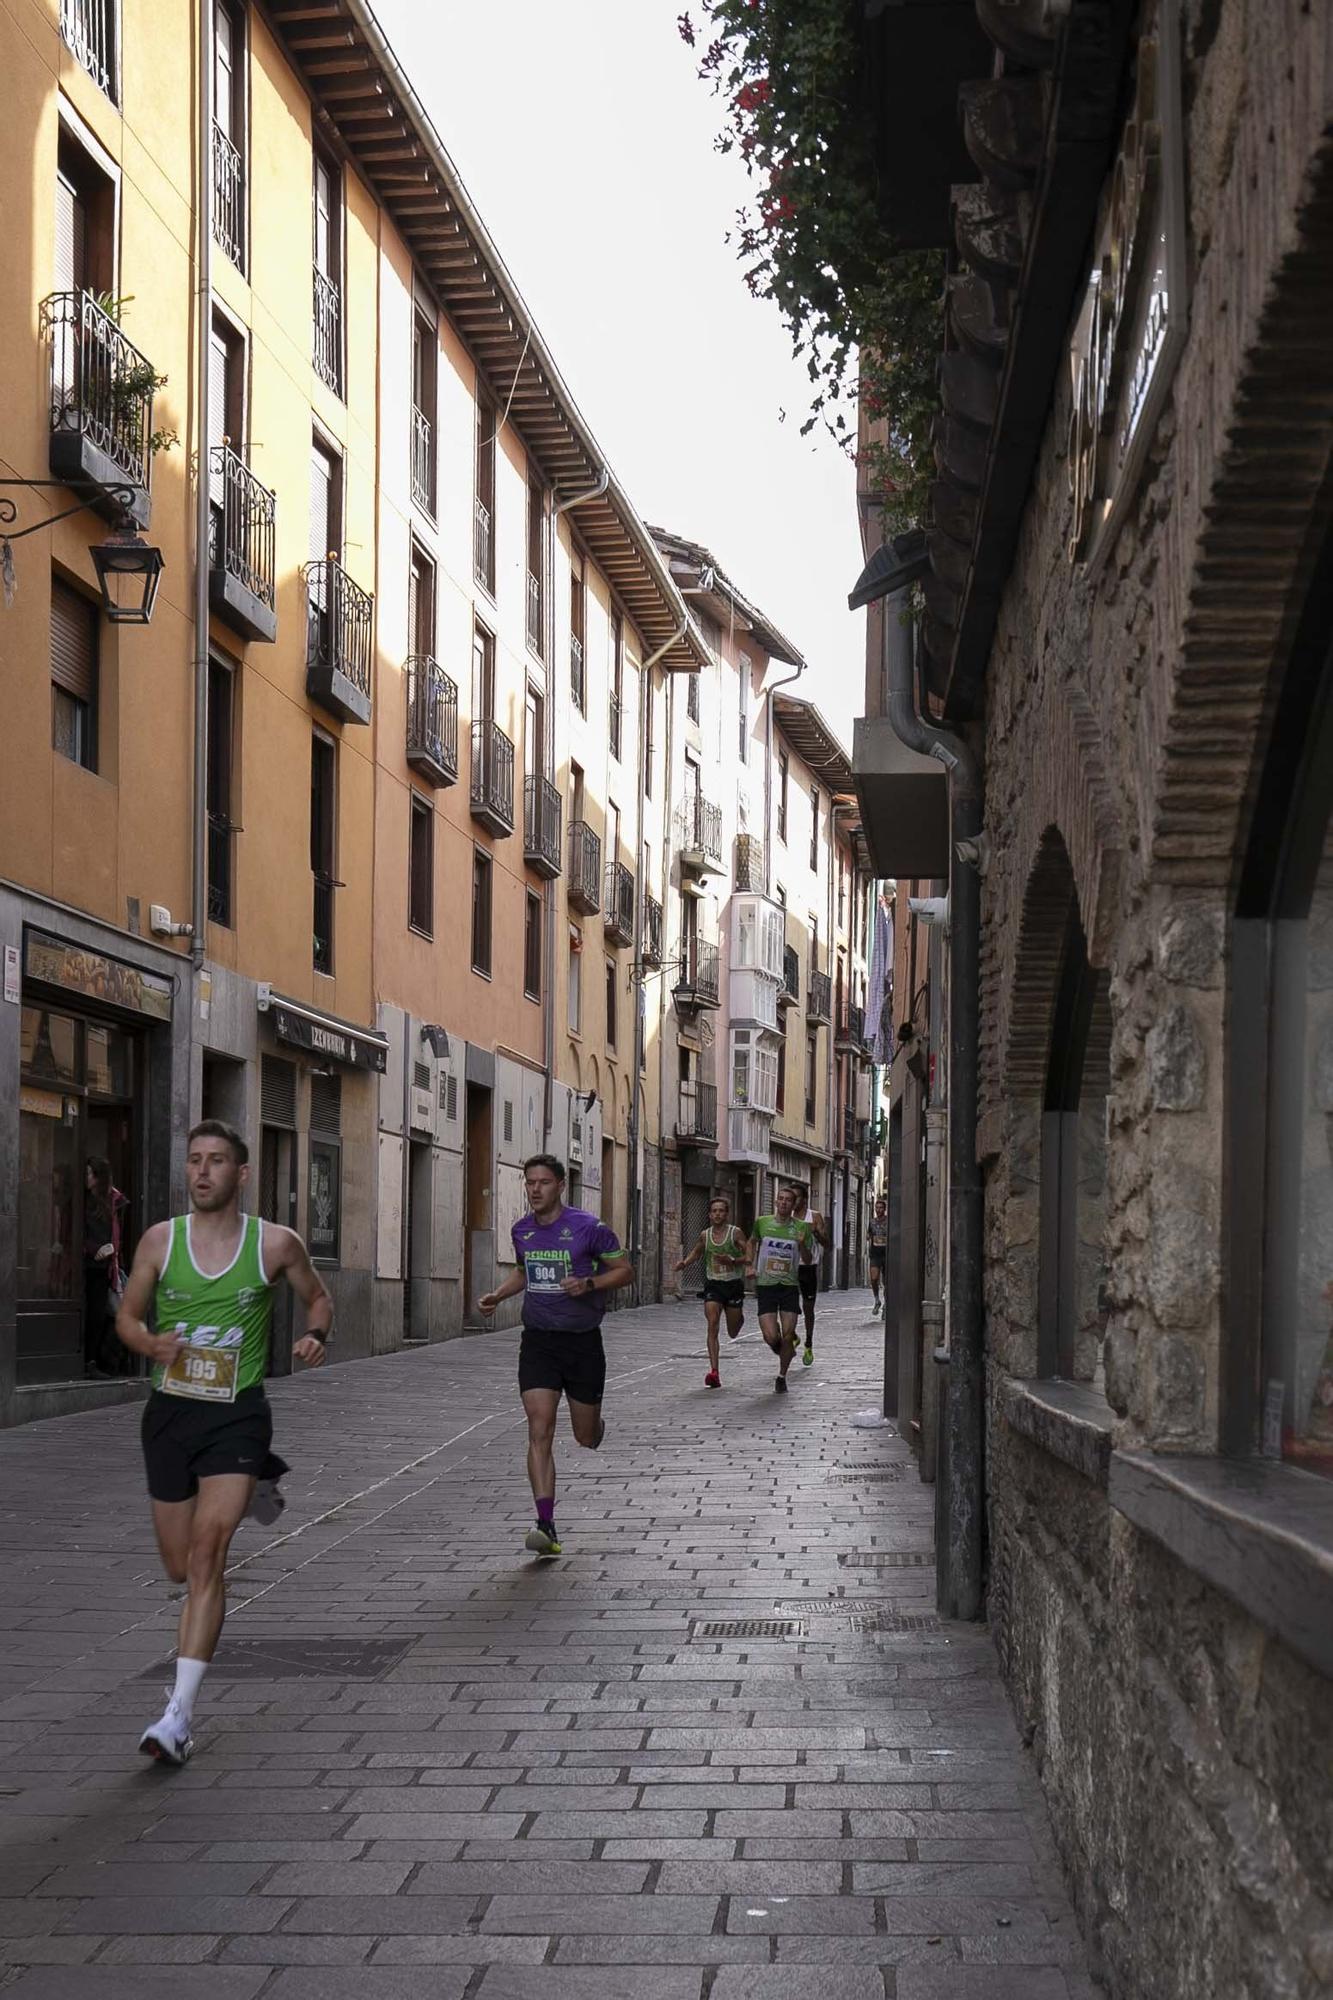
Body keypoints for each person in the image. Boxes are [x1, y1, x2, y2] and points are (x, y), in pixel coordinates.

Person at [116, 1119, 332, 1767]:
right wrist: (150, 1344)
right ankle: (259, 1481)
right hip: (169, 1417)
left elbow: (318, 1299)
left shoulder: (275, 1244)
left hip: (237, 1415)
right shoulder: (159, 1241)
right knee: (180, 1566)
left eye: (215, 1161)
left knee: (210, 1555)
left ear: (241, 1174)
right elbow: (127, 1316)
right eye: (193, 1161)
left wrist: (316, 1335)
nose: (202, 1172)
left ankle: (177, 1716)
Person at [479, 1154, 634, 1557]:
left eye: (543, 1182)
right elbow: (523, 1270)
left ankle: (596, 1427)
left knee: (584, 1437)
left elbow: (625, 1271)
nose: (535, 1189)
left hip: (582, 1343)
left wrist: (590, 1282)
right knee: (539, 1428)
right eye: (529, 1182)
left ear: (560, 1185)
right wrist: (499, 1294)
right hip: (539, 1342)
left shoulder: (588, 1228)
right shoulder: (522, 1230)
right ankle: (545, 1523)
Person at [673, 1193, 749, 1388]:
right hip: (713, 1285)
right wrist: (684, 1263)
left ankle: (739, 1319)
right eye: (714, 1211)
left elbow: (748, 1255)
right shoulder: (705, 1235)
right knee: (712, 1322)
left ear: (727, 1214)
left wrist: (732, 1261)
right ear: (709, 1214)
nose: (717, 1214)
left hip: (732, 1285)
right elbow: (697, 1252)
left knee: (732, 1331)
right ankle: (714, 1372)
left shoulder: (736, 1233)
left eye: (721, 1211)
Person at [746, 1183, 816, 1393]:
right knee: (771, 1337)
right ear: (776, 1202)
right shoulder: (762, 1223)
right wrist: (750, 1264)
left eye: (788, 1200)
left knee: (787, 1334)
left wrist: (802, 1244)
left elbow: (808, 1258)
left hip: (789, 1287)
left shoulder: (802, 1228)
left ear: (794, 1205)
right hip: (766, 1286)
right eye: (781, 1199)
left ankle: (781, 1376)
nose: (784, 1203)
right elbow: (751, 1241)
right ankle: (786, 1351)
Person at [82, 1157, 128, 1377]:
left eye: (89, 1173)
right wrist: (94, 1250)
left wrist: (113, 1249)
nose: (86, 1178)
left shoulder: (113, 1201)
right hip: (88, 1264)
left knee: (105, 1314)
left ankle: (102, 1361)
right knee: (94, 1314)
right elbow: (76, 1234)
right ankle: (90, 1361)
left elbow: (118, 1232)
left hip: (107, 1268)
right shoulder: (83, 1201)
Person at [791, 1185, 829, 1368]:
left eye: (796, 1198)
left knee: (808, 1308)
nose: (791, 1202)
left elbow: (827, 1243)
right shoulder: (785, 1218)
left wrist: (816, 1232)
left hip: (808, 1267)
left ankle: (808, 1342)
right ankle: (792, 1336)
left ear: (804, 1199)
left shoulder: (814, 1217)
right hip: (788, 1268)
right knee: (786, 1306)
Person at [869, 1195, 889, 1316]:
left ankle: (887, 1304)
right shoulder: (872, 1222)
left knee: (887, 1282)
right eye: (877, 1208)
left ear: (884, 1209)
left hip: (886, 1254)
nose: (878, 1210)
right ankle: (877, 1300)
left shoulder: (889, 1221)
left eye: (881, 1207)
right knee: (874, 1278)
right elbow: (869, 1235)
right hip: (875, 1254)